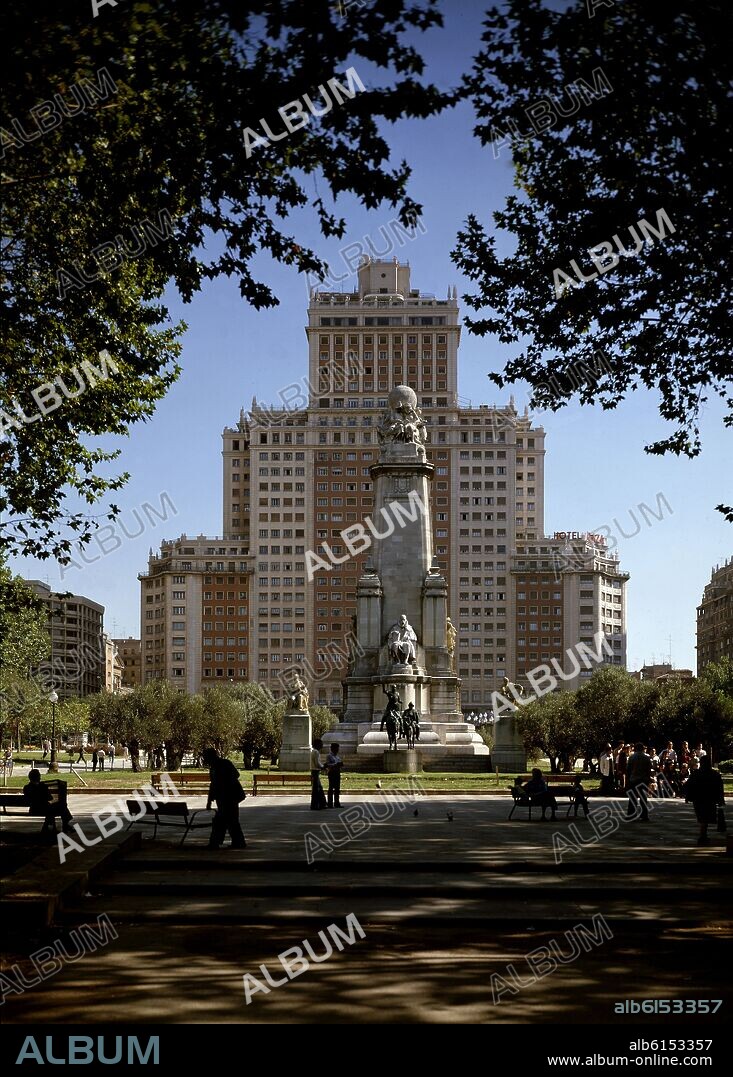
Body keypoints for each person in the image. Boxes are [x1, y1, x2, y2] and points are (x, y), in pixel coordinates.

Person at [203, 748, 246, 850]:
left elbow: (236, 775)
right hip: (223, 797)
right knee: (230, 820)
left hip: (230, 796)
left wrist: (223, 782)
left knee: (226, 820)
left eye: (206, 757)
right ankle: (236, 842)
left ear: (211, 756)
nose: (205, 759)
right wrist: (209, 801)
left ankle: (216, 842)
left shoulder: (224, 763)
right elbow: (213, 784)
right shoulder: (214, 767)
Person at [684, 756, 724, 845]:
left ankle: (703, 836)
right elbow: (720, 788)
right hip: (710, 799)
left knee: (702, 817)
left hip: (698, 799)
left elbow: (689, 786)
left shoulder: (696, 773)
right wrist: (721, 799)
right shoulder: (715, 774)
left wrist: (687, 797)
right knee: (705, 818)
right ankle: (703, 836)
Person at [23, 768, 73, 834]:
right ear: (38, 777)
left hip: (34, 809)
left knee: (58, 807)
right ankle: (65, 825)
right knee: (62, 805)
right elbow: (50, 798)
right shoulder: (42, 786)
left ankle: (47, 827)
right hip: (45, 809)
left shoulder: (26, 787)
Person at [626, 742, 653, 821]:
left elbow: (628, 770)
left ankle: (631, 815)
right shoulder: (646, 757)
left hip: (633, 780)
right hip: (643, 780)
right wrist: (648, 780)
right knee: (643, 799)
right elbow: (649, 770)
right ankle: (644, 815)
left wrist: (628, 780)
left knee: (632, 798)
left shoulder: (632, 757)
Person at [310, 739, 327, 810]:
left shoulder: (313, 751)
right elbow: (317, 763)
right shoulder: (316, 752)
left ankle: (321, 804)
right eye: (321, 744)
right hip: (315, 771)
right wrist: (323, 767)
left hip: (314, 771)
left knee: (318, 788)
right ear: (318, 744)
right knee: (316, 789)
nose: (322, 745)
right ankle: (316, 805)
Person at [325, 743, 343, 809]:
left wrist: (340, 765)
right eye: (336, 748)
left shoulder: (337, 757)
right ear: (332, 748)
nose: (337, 750)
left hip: (337, 773)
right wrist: (336, 764)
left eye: (338, 748)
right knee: (331, 788)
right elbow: (327, 764)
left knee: (337, 788)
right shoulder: (329, 756)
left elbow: (339, 764)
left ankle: (337, 803)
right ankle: (330, 803)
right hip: (332, 773)